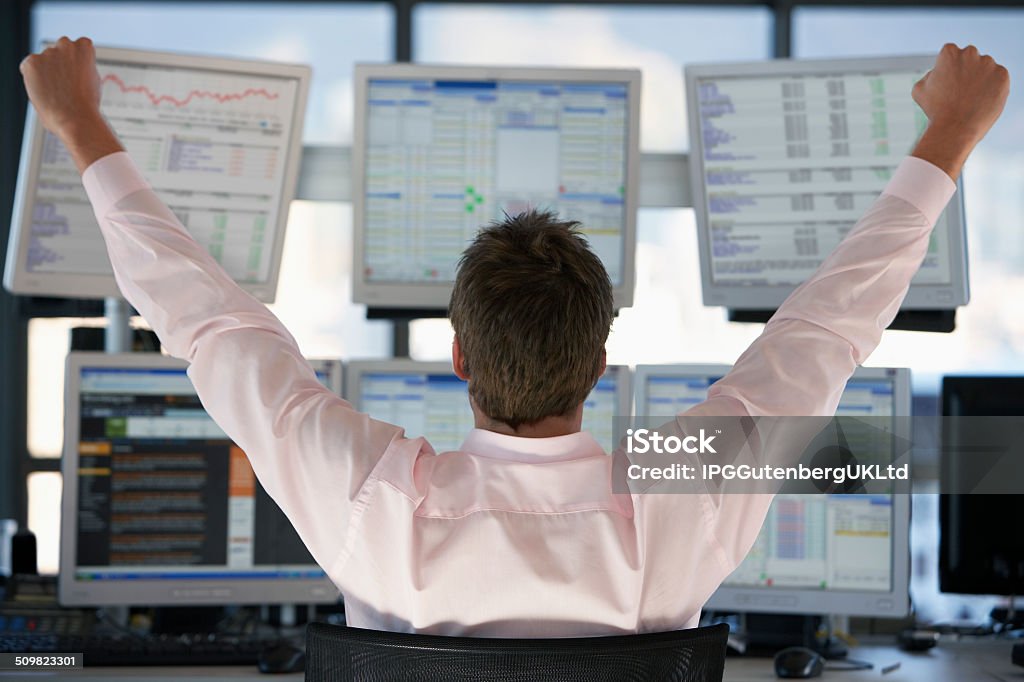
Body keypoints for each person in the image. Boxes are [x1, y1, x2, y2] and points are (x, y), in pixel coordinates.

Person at [20, 39, 1008, 636]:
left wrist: (75, 123)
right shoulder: (685, 483)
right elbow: (830, 323)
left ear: (457, 360)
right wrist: (950, 134)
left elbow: (207, 323)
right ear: (602, 367)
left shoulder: (374, 499)